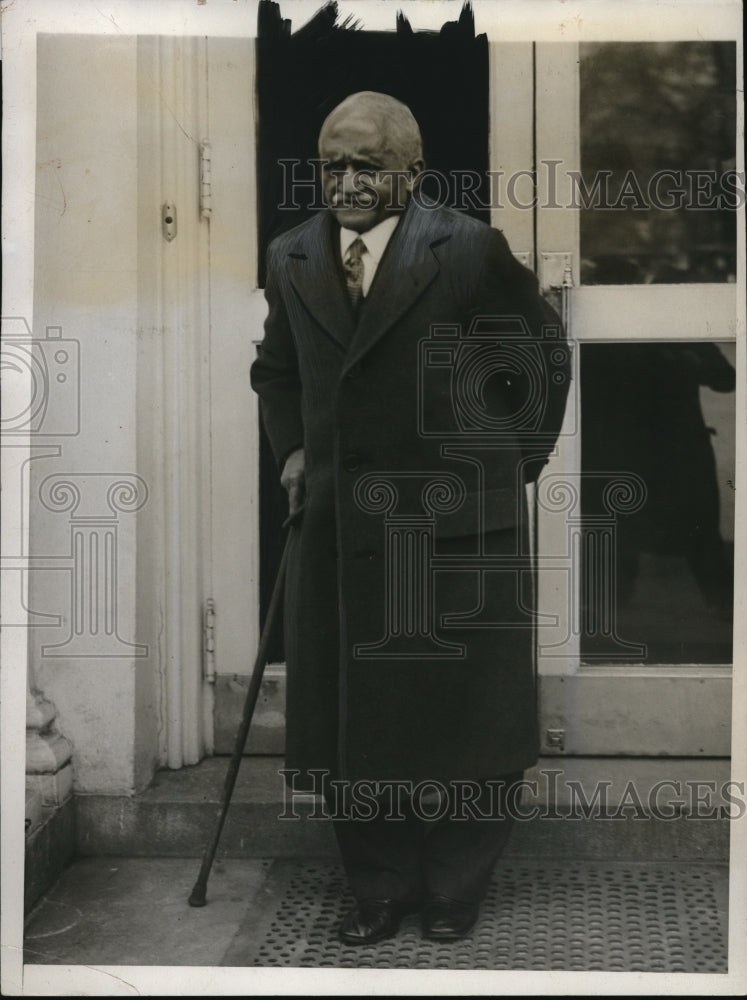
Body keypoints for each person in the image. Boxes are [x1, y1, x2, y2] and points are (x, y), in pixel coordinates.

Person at [251, 91, 570, 945]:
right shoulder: (290, 255)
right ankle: (380, 886)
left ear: (410, 171)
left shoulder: (463, 249)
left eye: (366, 164)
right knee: (353, 713)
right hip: (345, 530)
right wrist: (290, 452)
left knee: (470, 712)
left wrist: (508, 469)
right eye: (331, 164)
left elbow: (538, 361)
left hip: (457, 524)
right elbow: (276, 372)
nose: (346, 181)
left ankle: (455, 887)